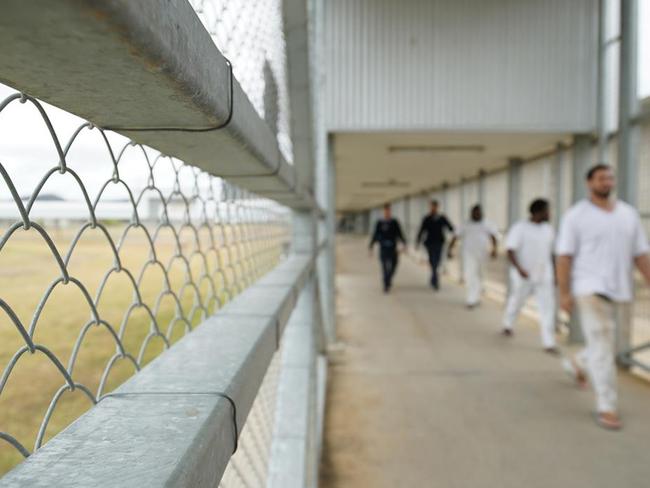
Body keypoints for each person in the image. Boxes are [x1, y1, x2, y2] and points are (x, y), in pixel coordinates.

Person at [556, 164, 650, 430]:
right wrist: (564, 293)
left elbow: (641, 254)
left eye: (610, 177)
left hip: (619, 289)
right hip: (588, 288)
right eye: (601, 178)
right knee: (602, 345)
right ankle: (606, 406)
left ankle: (577, 361)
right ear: (589, 183)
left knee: (604, 345)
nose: (606, 181)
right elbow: (564, 257)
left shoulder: (628, 215)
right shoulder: (576, 216)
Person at [502, 199, 557, 353]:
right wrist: (519, 269)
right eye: (547, 210)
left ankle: (549, 342)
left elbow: (552, 253)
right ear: (538, 212)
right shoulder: (520, 228)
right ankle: (508, 324)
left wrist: (556, 274)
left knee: (548, 308)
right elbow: (510, 250)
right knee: (517, 300)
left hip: (544, 274)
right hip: (524, 274)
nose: (549, 214)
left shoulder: (549, 230)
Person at [448, 204, 498, 308]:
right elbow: (455, 236)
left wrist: (494, 249)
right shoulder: (465, 224)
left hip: (482, 254)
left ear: (481, 213)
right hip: (468, 254)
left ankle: (476, 297)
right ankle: (471, 299)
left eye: (478, 212)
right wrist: (449, 249)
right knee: (470, 276)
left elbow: (493, 237)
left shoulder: (487, 224)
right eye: (474, 212)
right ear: (471, 213)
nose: (476, 214)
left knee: (480, 275)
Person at [416, 200, 454, 290]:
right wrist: (417, 241)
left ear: (437, 207)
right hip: (429, 243)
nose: (433, 208)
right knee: (432, 260)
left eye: (435, 206)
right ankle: (434, 278)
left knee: (437, 261)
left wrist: (456, 234)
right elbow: (421, 230)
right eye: (432, 206)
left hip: (439, 243)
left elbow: (450, 227)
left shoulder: (442, 218)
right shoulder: (427, 218)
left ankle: (434, 278)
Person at [369, 203, 407, 293]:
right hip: (383, 248)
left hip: (393, 248)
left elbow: (400, 233)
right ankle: (386, 284)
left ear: (390, 212)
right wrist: (371, 246)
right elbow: (375, 234)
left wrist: (404, 243)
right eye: (386, 211)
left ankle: (389, 278)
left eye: (389, 211)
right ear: (384, 212)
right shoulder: (380, 223)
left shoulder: (394, 222)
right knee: (384, 266)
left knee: (394, 264)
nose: (387, 213)